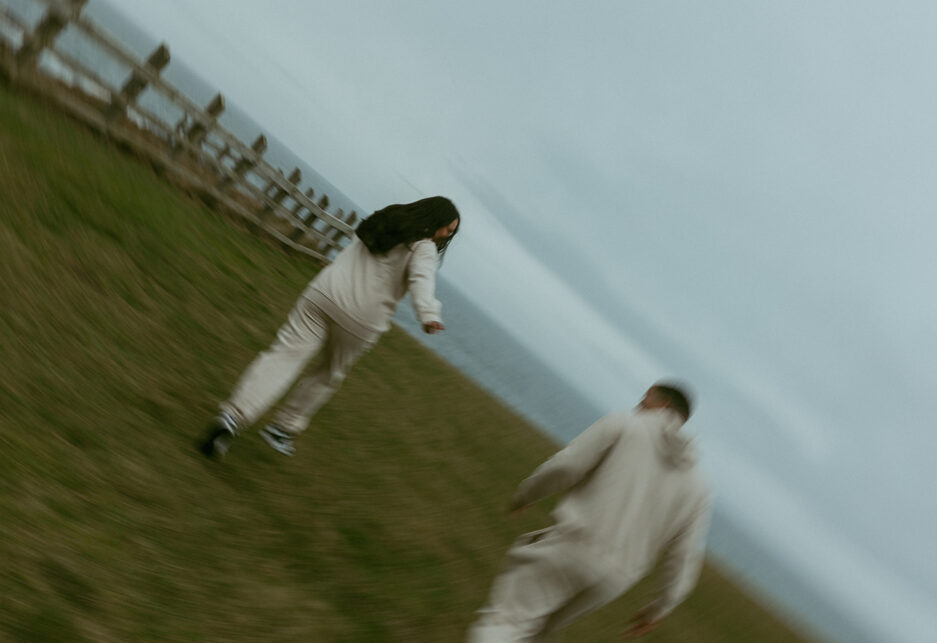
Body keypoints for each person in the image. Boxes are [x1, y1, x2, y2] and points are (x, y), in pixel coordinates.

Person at [199, 196, 460, 459]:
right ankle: (282, 429)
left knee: (284, 356)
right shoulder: (424, 247)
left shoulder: (385, 219)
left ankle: (233, 415)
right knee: (327, 374)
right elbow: (421, 279)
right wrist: (428, 314)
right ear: (434, 219)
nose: (444, 236)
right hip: (360, 320)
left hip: (323, 294)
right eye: (447, 229)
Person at [467, 382, 712, 641]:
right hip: (612, 581)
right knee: (536, 634)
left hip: (573, 544)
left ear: (663, 405)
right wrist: (661, 606)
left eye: (644, 398)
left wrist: (526, 495)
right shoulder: (698, 487)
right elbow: (684, 555)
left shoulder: (625, 424)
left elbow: (566, 466)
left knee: (506, 621)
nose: (638, 404)